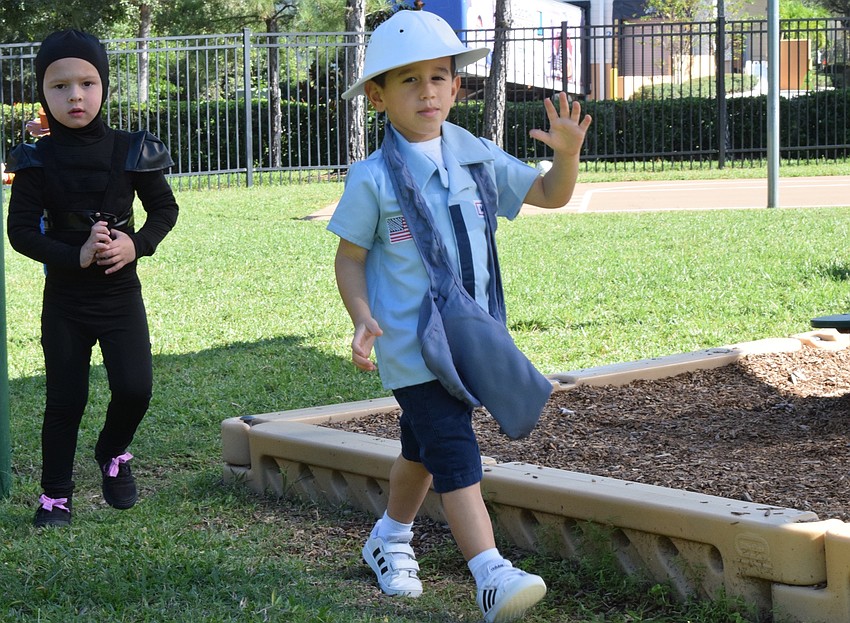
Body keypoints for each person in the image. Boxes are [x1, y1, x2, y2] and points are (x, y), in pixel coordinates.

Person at [328, 10, 591, 623]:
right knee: (454, 447)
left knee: (421, 448)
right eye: (409, 80)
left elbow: (550, 194)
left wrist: (569, 155)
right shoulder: (371, 179)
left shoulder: (475, 157)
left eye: (440, 77)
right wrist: (362, 315)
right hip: (410, 346)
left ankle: (388, 539)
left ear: (456, 86)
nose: (428, 91)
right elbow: (349, 260)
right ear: (377, 95)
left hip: (469, 339)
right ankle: (490, 573)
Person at [5, 30, 179, 528]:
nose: (74, 95)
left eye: (86, 82)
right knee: (66, 398)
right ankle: (55, 496)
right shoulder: (36, 159)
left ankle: (112, 451)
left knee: (135, 388)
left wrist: (136, 243)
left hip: (120, 293)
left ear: (103, 86)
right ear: (43, 91)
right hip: (65, 299)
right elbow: (20, 233)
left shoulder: (131, 149)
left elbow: (165, 210)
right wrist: (74, 254)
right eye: (59, 86)